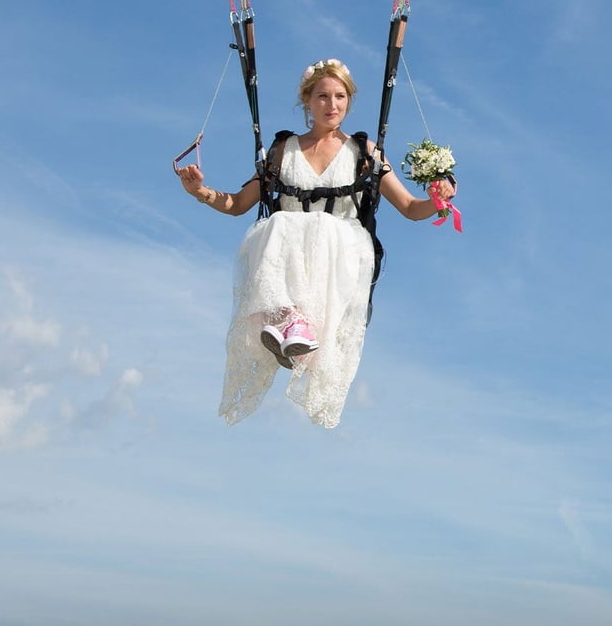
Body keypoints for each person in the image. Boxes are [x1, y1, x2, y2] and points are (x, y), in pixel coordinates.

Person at [175, 58, 456, 427]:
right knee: (278, 224)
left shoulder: (364, 153)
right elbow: (238, 205)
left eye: (340, 97)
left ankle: (300, 327)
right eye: (322, 96)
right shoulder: (281, 151)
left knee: (317, 229)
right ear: (307, 101)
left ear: (349, 102)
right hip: (288, 252)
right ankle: (288, 324)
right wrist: (200, 192)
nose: (332, 105)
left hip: (339, 254)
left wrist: (438, 201)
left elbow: (407, 207)